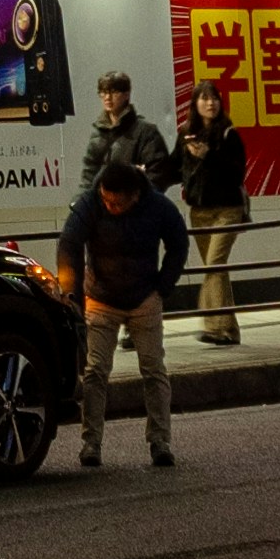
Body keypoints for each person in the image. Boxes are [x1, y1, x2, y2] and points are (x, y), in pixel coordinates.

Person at [57, 159, 188, 469]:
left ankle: (160, 441)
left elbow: (179, 242)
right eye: (105, 199)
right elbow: (69, 244)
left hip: (144, 298)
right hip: (101, 298)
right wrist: (73, 295)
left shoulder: (157, 205)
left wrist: (162, 287)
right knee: (95, 371)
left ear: (135, 195)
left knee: (153, 369)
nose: (109, 206)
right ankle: (91, 443)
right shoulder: (91, 203)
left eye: (116, 202)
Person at [175, 77, 250, 345]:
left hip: (227, 209)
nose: (211, 103)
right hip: (199, 210)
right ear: (195, 103)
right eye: (205, 98)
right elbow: (174, 168)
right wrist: (143, 178)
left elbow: (236, 172)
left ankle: (217, 328)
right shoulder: (186, 134)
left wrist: (209, 156)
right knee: (214, 268)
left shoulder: (229, 134)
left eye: (214, 98)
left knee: (215, 265)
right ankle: (230, 329)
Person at [78, 69, 174, 193]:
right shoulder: (98, 133)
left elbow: (158, 174)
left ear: (127, 94)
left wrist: (135, 196)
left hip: (136, 205)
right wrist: (81, 204)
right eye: (103, 92)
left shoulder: (146, 132)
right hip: (103, 206)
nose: (107, 97)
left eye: (113, 92)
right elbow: (88, 174)